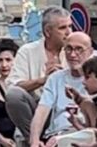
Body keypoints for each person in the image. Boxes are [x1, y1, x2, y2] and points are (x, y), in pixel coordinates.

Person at [6, 7, 71, 137]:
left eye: (70, 26)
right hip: (36, 108)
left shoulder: (75, 51)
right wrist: (43, 80)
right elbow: (13, 85)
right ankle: (34, 139)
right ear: (48, 31)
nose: (69, 32)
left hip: (66, 110)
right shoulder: (27, 51)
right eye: (63, 28)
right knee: (14, 95)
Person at [28, 32, 94, 147]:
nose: (73, 55)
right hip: (56, 135)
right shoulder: (56, 78)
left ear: (90, 51)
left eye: (79, 49)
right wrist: (34, 140)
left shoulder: (96, 78)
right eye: (69, 49)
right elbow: (41, 111)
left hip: (83, 135)